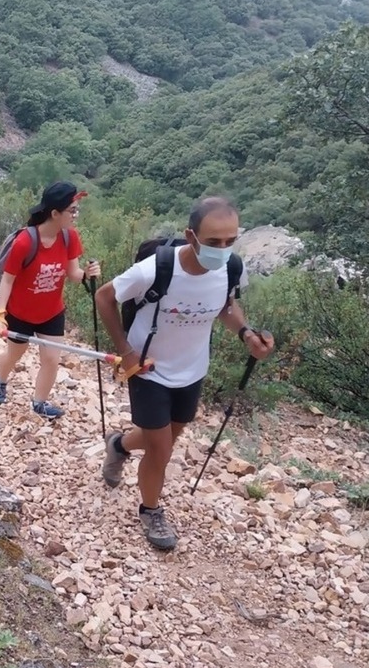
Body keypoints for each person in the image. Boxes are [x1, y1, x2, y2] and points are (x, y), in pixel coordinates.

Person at [94, 196, 275, 551]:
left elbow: (225, 306)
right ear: (191, 236)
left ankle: (118, 445)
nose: (222, 250)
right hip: (148, 369)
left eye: (229, 241)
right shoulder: (156, 269)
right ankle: (150, 511)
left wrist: (246, 333)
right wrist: (126, 351)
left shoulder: (230, 268)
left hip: (193, 370)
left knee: (161, 439)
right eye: (213, 242)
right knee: (161, 450)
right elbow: (104, 296)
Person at [0, 182, 100, 418]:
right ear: (54, 213)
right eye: (72, 210)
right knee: (14, 355)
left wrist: (87, 275)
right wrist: (0, 315)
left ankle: (39, 403)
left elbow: (73, 274)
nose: (76, 215)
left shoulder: (70, 237)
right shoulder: (25, 242)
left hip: (51, 312)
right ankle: (0, 381)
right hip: (20, 313)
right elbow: (7, 280)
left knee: (51, 359)